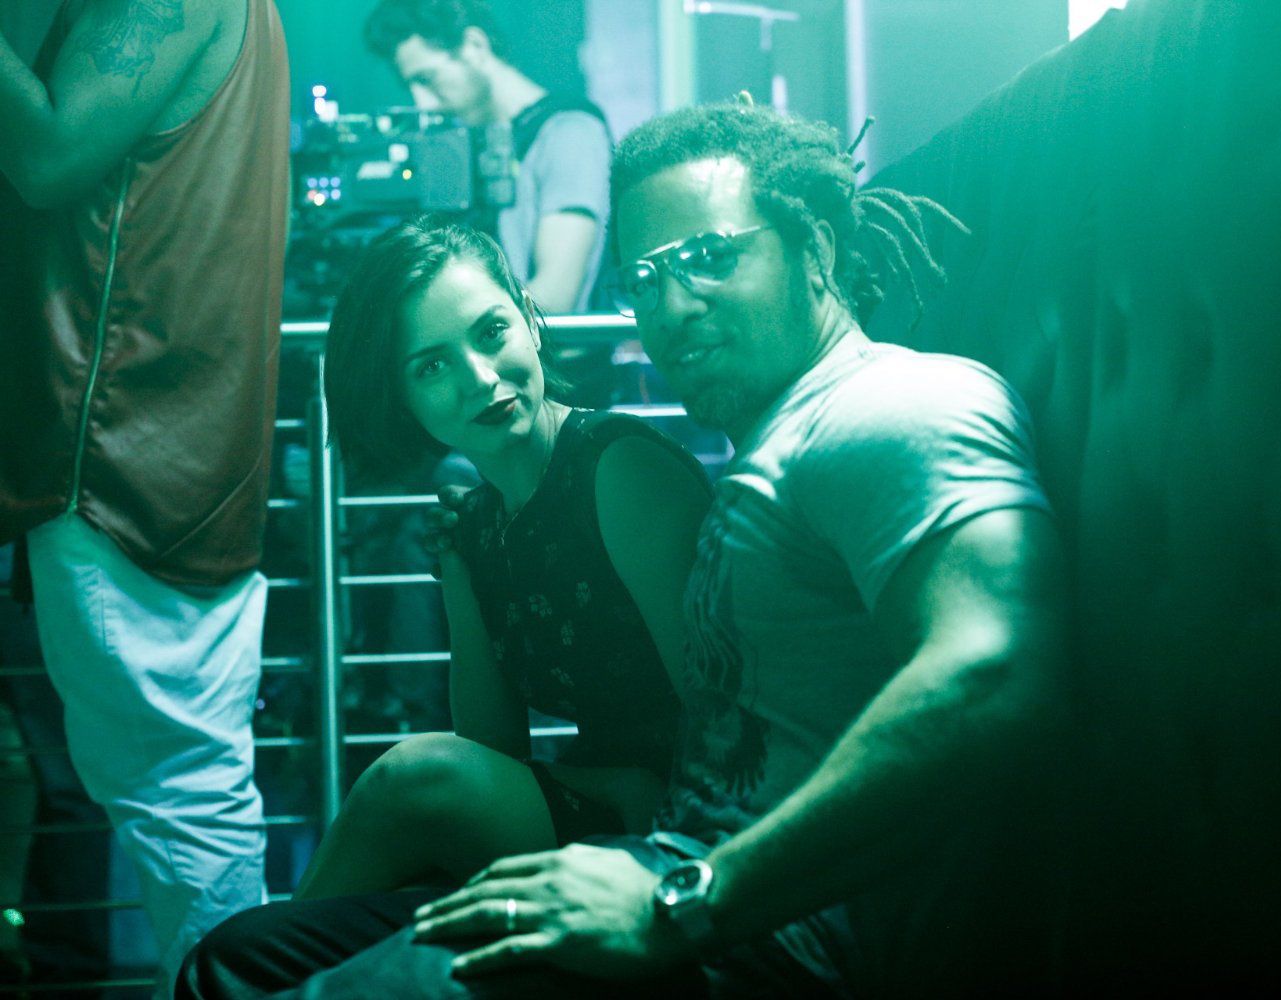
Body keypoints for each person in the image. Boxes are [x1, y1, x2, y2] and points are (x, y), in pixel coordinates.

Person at [178, 100, 1068, 999]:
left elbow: (994, 670)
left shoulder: (894, 406)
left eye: (712, 256)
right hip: (681, 873)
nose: (673, 305)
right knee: (236, 961)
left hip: (750, 927)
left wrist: (682, 899)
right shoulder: (770, 447)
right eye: (646, 276)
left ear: (816, 250)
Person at [0, 0, 289, 992]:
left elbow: (46, 155)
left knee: (181, 795)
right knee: (179, 794)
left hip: (123, 450)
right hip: (142, 446)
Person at [294, 216, 711, 900]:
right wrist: (459, 571)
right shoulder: (481, 521)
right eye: (432, 366)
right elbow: (493, 750)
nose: (480, 378)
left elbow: (723, 714)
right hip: (599, 803)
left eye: (492, 332)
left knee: (410, 776)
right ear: (401, 398)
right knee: (279, 939)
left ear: (530, 320)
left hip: (689, 825)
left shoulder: (619, 469)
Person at [363, 0, 612, 314]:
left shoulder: (570, 132)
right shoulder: (473, 146)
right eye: (409, 86)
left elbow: (556, 298)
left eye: (427, 79)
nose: (423, 103)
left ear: (475, 46)